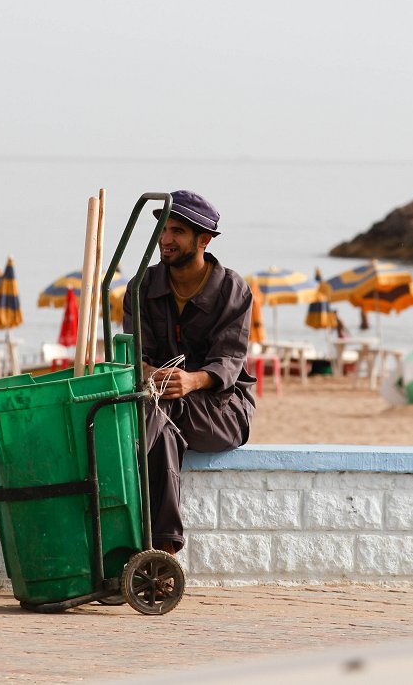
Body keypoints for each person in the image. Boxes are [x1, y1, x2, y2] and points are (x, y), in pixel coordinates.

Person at [123, 190, 255, 555]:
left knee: (156, 415)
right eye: (163, 229)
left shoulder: (232, 289)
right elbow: (132, 356)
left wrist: (191, 381)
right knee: (161, 428)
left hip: (224, 410)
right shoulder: (140, 287)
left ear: (204, 240)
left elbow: (229, 361)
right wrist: (152, 373)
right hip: (159, 405)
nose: (165, 239)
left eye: (177, 231)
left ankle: (130, 526)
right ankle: (163, 552)